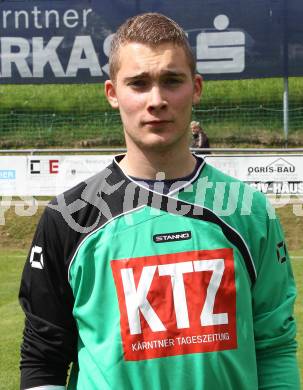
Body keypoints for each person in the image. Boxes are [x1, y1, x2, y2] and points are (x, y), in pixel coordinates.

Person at [19, 12, 300, 390]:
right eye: (138, 83)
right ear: (112, 94)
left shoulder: (249, 210)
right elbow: (43, 359)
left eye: (172, 81)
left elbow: (275, 346)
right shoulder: (68, 218)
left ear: (196, 87)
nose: (157, 100)